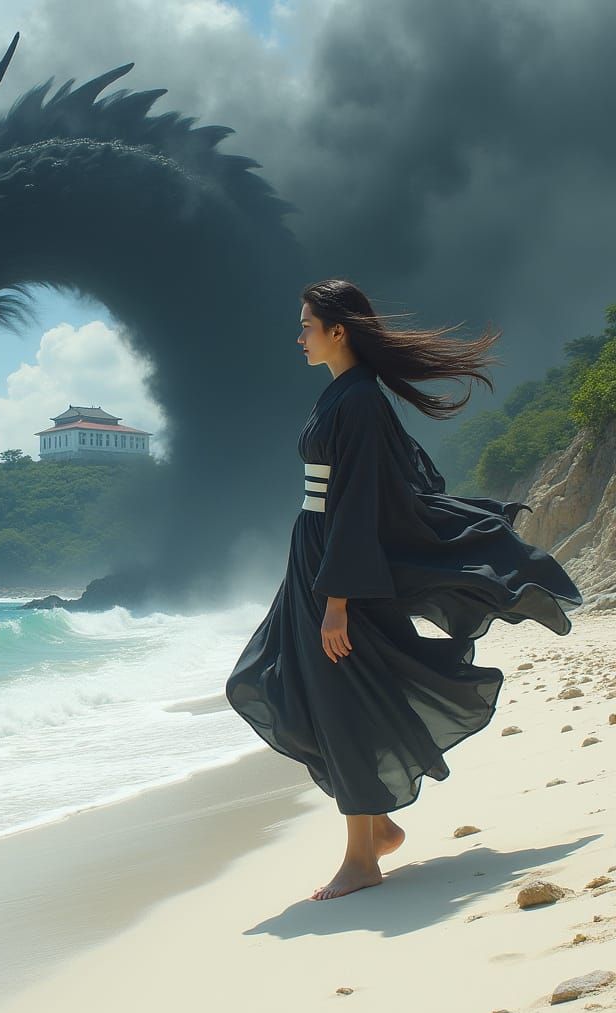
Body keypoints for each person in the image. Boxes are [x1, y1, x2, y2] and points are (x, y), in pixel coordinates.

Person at [225, 278, 583, 901]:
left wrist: (338, 601)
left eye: (307, 323)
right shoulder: (343, 395)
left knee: (338, 698)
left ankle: (362, 856)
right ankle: (380, 824)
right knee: (280, 684)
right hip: (315, 559)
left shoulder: (358, 400)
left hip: (336, 570)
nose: (299, 334)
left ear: (339, 330)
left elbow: (360, 503)